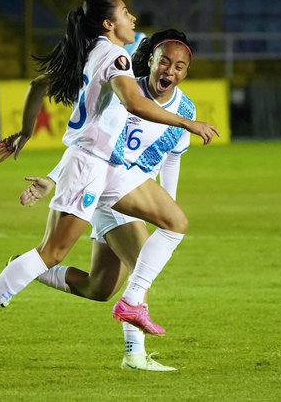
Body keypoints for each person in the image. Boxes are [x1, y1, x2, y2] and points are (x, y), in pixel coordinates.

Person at [0, 0, 220, 362]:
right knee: (52, 252)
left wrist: (26, 133)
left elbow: (36, 86)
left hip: (107, 166)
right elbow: (134, 104)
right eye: (126, 13)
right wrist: (189, 123)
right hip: (89, 164)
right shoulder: (117, 57)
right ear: (109, 24)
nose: (132, 17)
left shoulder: (89, 50)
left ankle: (130, 304)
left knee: (174, 221)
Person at [15, 29, 197, 372]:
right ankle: (134, 356)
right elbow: (91, 144)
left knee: (100, 287)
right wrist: (54, 179)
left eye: (180, 66)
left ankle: (26, 268)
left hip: (137, 195)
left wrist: (164, 207)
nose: (170, 71)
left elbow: (173, 158)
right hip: (109, 189)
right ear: (152, 61)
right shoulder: (125, 89)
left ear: (186, 71)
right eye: (165, 62)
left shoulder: (185, 108)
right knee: (142, 264)